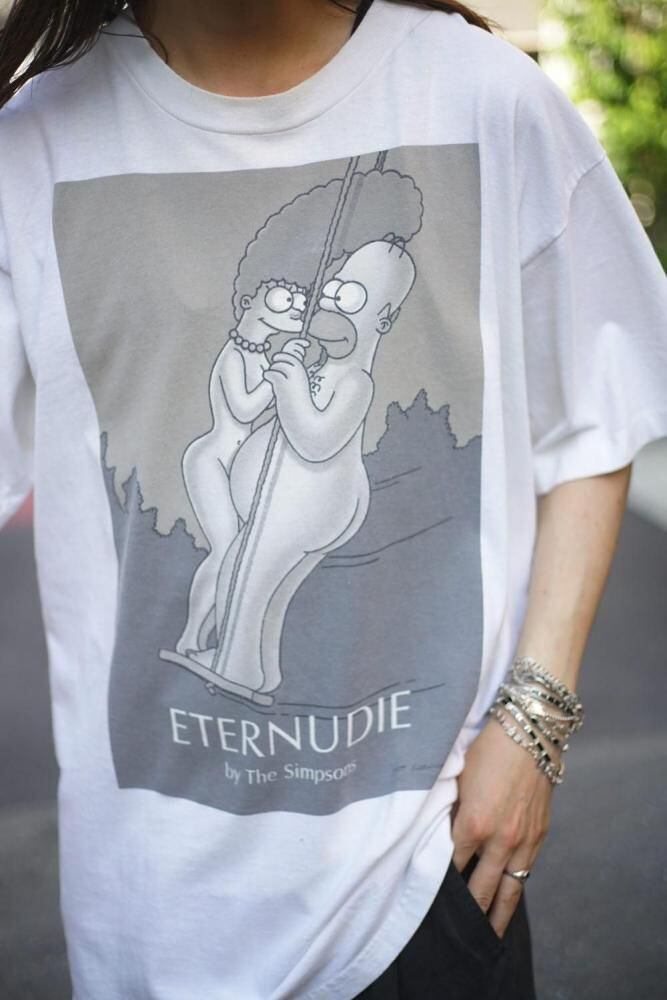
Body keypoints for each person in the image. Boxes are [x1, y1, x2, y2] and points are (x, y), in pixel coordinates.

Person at [0, 1, 665, 997]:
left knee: (265, 569)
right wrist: (259, 385)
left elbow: (594, 422)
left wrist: (533, 727)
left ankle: (246, 656)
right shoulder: (32, 145)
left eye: (360, 305)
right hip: (146, 911)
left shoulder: (488, 99)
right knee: (237, 561)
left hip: (422, 880)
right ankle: (232, 652)